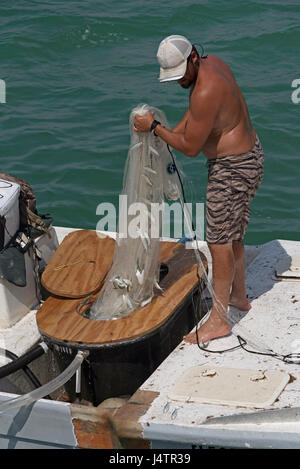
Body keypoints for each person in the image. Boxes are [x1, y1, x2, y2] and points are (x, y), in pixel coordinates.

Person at [133, 35, 264, 344]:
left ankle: (219, 320)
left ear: (193, 57)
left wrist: (155, 128)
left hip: (231, 170)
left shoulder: (204, 90)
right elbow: (196, 117)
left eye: (181, 74)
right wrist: (170, 131)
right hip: (248, 158)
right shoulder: (214, 64)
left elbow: (191, 147)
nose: (179, 81)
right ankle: (238, 296)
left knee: (218, 241)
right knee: (232, 234)